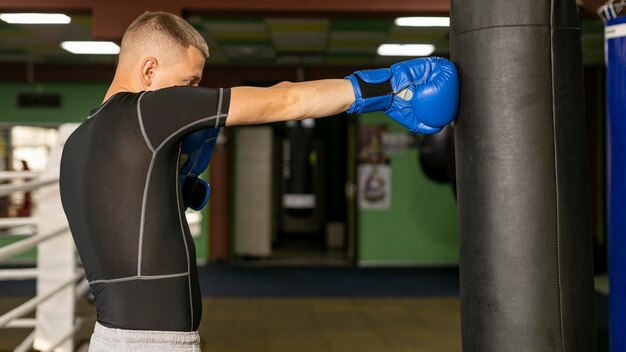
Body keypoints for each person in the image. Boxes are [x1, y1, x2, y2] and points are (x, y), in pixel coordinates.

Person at [58, 10, 459, 352]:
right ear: (149, 70)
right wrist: (385, 88)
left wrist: (175, 187)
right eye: (189, 83)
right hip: (153, 343)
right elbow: (284, 99)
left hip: (111, 338)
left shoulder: (79, 141)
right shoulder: (149, 112)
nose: (192, 93)